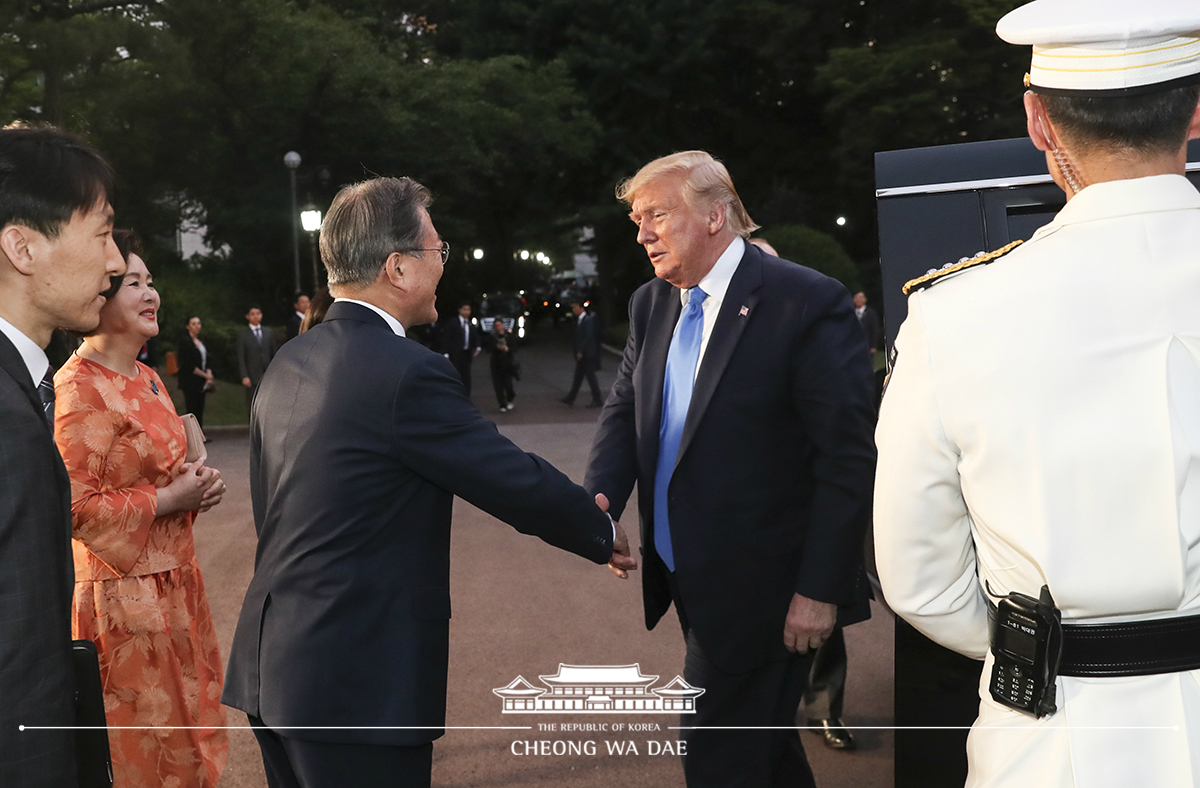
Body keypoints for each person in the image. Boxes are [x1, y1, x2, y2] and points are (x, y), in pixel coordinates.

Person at [874, 2, 1200, 786]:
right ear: (1197, 111)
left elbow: (922, 578)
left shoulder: (953, 316)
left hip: (1056, 741)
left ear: (1038, 122)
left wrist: (1042, 641)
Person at [222, 176, 635, 788]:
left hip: (273, 666)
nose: (445, 265)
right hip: (357, 681)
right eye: (438, 251)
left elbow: (270, 506)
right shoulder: (407, 373)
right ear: (398, 268)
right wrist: (597, 528)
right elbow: (504, 476)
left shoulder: (291, 358)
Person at [584, 151, 876, 787]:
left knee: (718, 755)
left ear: (716, 215)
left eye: (657, 215)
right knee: (764, 753)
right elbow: (625, 409)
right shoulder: (650, 303)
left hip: (770, 588)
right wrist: (597, 506)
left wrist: (820, 590)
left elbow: (847, 459)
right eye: (637, 220)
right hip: (686, 574)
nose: (643, 233)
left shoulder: (806, 302)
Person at [54, 229, 229, 788]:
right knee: (147, 760)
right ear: (97, 295)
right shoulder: (78, 389)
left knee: (193, 738)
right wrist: (166, 499)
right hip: (124, 605)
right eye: (133, 282)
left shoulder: (149, 378)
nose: (151, 293)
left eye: (151, 282)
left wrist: (193, 487)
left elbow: (161, 473)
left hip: (177, 589)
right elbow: (73, 509)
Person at [0, 123, 125, 787]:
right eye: (102, 232)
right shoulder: (7, 420)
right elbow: (20, 665)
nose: (116, 263)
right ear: (22, 246)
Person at [748, 236, 859, 752]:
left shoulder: (812, 312)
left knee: (820, 626)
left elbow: (845, 446)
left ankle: (824, 710)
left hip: (810, 516)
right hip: (751, 530)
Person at [560, 299, 603, 407]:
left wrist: (580, 351)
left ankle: (597, 399)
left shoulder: (587, 320)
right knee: (578, 376)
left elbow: (587, 337)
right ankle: (571, 397)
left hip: (587, 354)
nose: (573, 310)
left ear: (581, 308)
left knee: (590, 376)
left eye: (575, 307)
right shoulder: (581, 320)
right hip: (585, 353)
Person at [236, 304, 277, 407]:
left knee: (268, 404)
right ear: (248, 317)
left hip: (267, 374)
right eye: (252, 314)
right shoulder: (243, 334)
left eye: (258, 313)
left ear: (261, 315)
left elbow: (273, 353)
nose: (255, 316)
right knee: (253, 404)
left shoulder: (268, 332)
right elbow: (241, 357)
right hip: (252, 375)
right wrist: (244, 375)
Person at [177, 316, 213, 427]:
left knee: (200, 407)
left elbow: (207, 359)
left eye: (198, 323)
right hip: (190, 380)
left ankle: (200, 433)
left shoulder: (201, 341)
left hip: (201, 380)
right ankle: (193, 435)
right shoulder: (185, 342)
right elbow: (188, 364)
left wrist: (209, 374)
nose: (197, 326)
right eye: (193, 324)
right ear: (188, 327)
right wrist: (205, 375)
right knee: (192, 407)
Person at [442, 300, 481, 394]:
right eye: (464, 309)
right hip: (455, 353)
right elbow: (447, 337)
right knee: (456, 373)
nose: (467, 312)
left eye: (468, 310)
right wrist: (445, 352)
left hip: (466, 352)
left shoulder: (470, 324)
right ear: (460, 310)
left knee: (466, 374)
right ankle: (456, 392)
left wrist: (477, 346)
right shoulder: (453, 323)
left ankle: (466, 393)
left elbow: (474, 336)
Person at [488, 316, 518, 411]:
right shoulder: (492, 337)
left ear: (503, 325)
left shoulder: (509, 336)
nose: (498, 327)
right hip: (496, 363)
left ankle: (510, 399)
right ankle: (502, 404)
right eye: (496, 325)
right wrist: (496, 347)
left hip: (507, 362)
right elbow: (488, 349)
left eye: (500, 325)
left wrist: (507, 349)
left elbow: (515, 347)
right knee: (498, 385)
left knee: (508, 384)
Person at [852, 291, 880, 356]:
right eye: (857, 297)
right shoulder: (851, 313)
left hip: (867, 346)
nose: (859, 300)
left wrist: (873, 346)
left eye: (861, 297)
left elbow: (874, 330)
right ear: (854, 300)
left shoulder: (871, 313)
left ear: (865, 299)